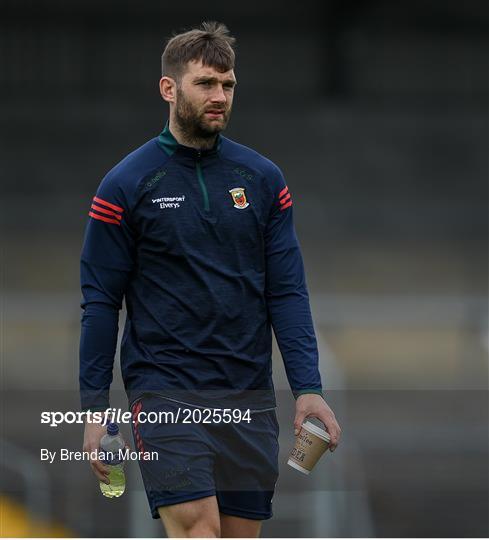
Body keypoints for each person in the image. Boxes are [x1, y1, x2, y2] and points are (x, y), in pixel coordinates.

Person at [80, 21, 341, 538]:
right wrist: (93, 409)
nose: (219, 96)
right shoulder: (126, 185)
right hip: (164, 391)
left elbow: (286, 290)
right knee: (200, 532)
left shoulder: (263, 180)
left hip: (248, 393)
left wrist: (308, 387)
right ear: (169, 88)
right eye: (205, 84)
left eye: (227, 85)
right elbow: (100, 303)